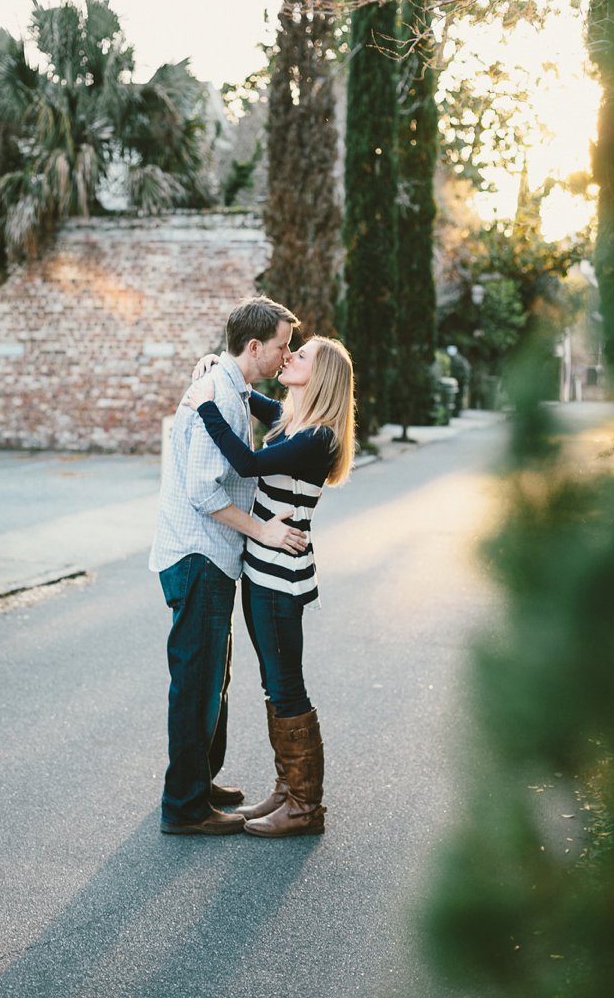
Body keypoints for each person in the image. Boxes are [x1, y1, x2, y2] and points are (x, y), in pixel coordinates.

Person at [181, 335, 356, 838]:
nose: (289, 355)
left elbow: (248, 463)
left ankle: (305, 806)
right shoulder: (293, 420)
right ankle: (287, 790)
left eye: (300, 356)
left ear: (319, 376)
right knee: (273, 683)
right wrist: (221, 369)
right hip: (262, 570)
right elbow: (250, 398)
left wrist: (205, 407)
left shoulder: (318, 437)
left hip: (280, 579)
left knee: (286, 685)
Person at [150, 295, 304, 836]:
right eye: (283, 346)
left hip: (212, 557)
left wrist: (215, 360)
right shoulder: (216, 390)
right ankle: (185, 808)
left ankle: (199, 779)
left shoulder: (233, 385)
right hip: (198, 555)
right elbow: (201, 492)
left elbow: (282, 415)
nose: (288, 356)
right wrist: (263, 529)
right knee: (196, 681)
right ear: (255, 345)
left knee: (213, 677)